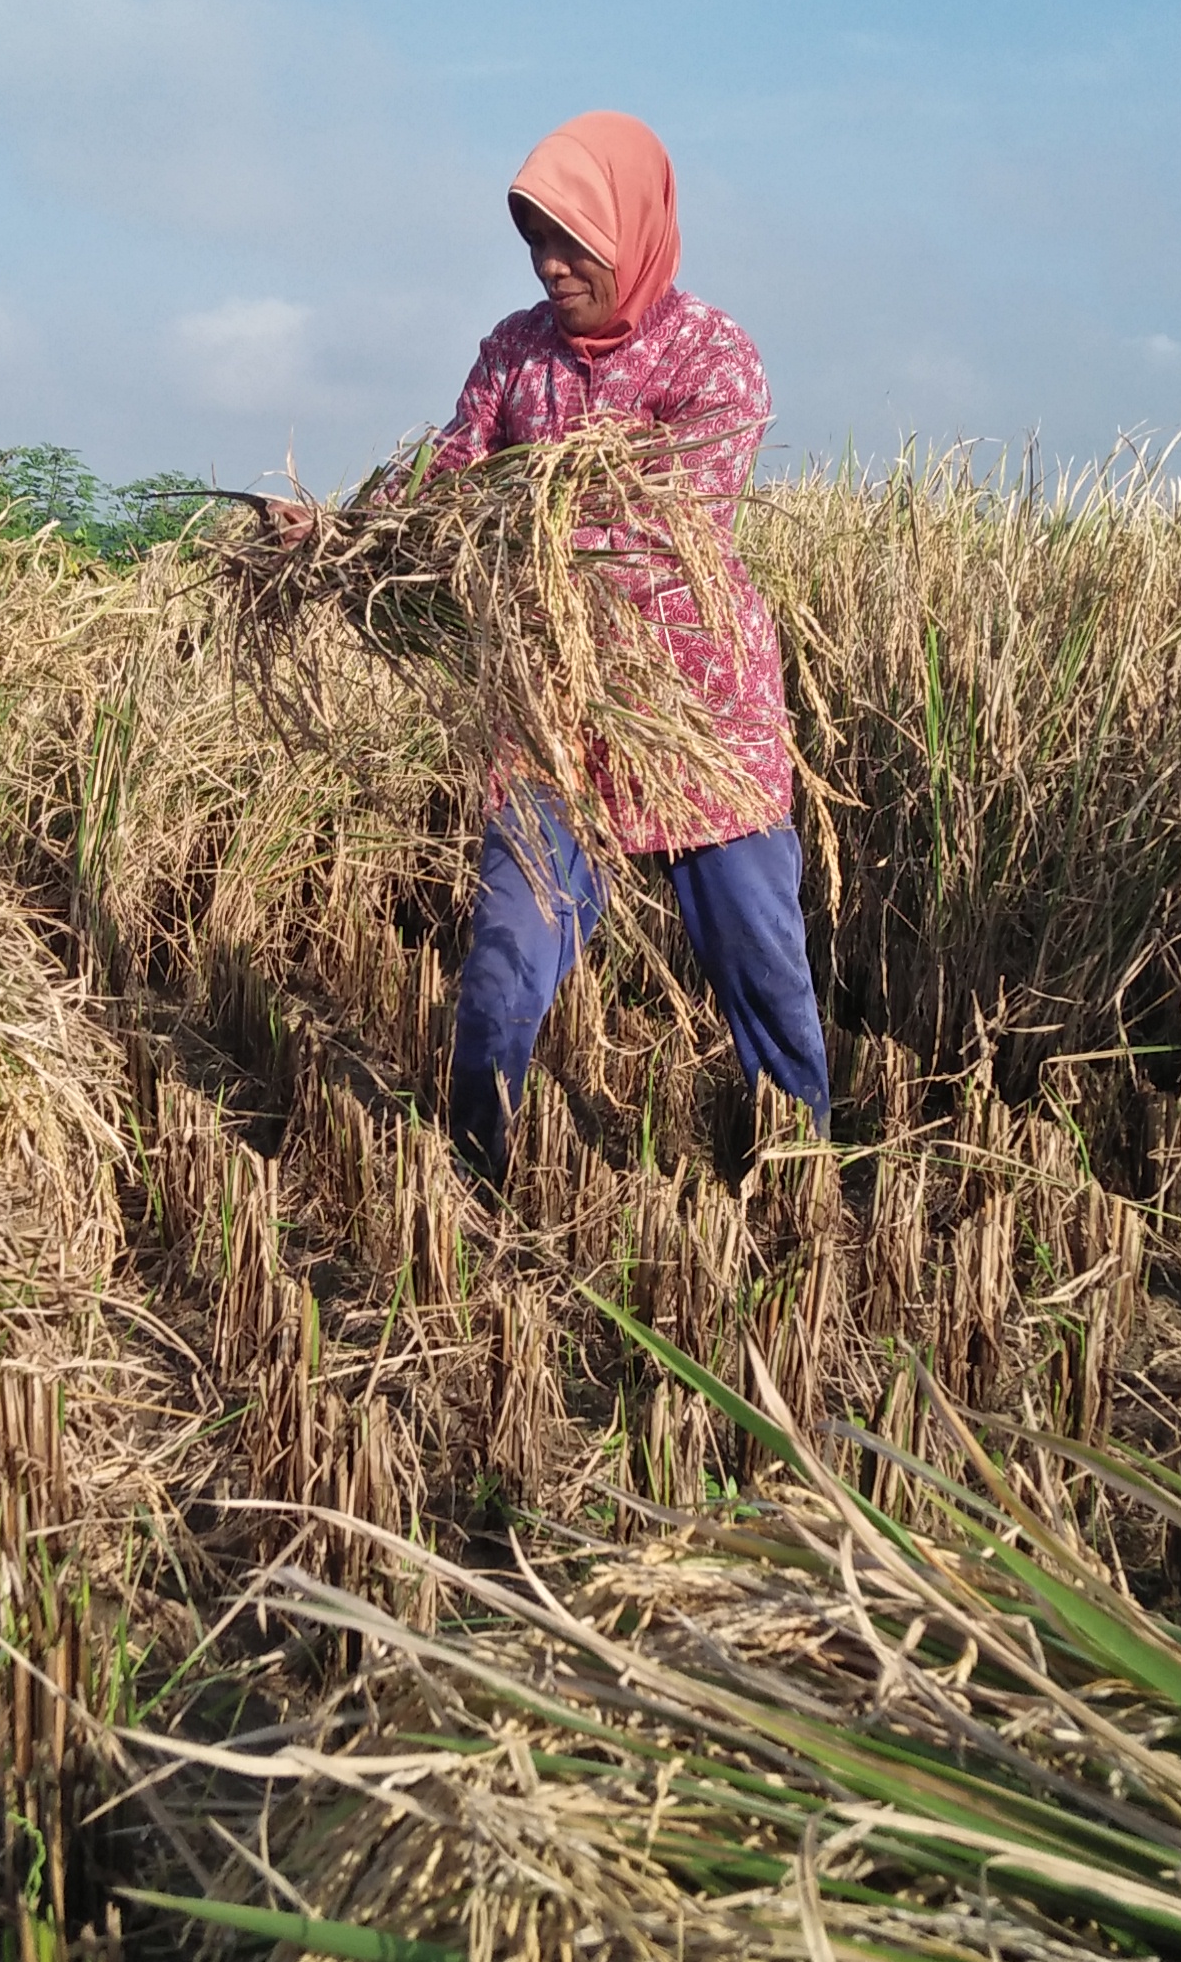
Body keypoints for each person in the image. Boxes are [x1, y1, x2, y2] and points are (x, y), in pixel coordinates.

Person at [292, 110, 828, 1179]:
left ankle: (800, 1172)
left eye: (573, 241)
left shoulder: (713, 356)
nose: (549, 265)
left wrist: (505, 526)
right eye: (536, 241)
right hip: (550, 720)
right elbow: (445, 480)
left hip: (692, 719)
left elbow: (665, 520)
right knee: (502, 969)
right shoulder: (513, 354)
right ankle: (471, 1180)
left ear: (634, 232)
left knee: (761, 966)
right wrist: (340, 531)